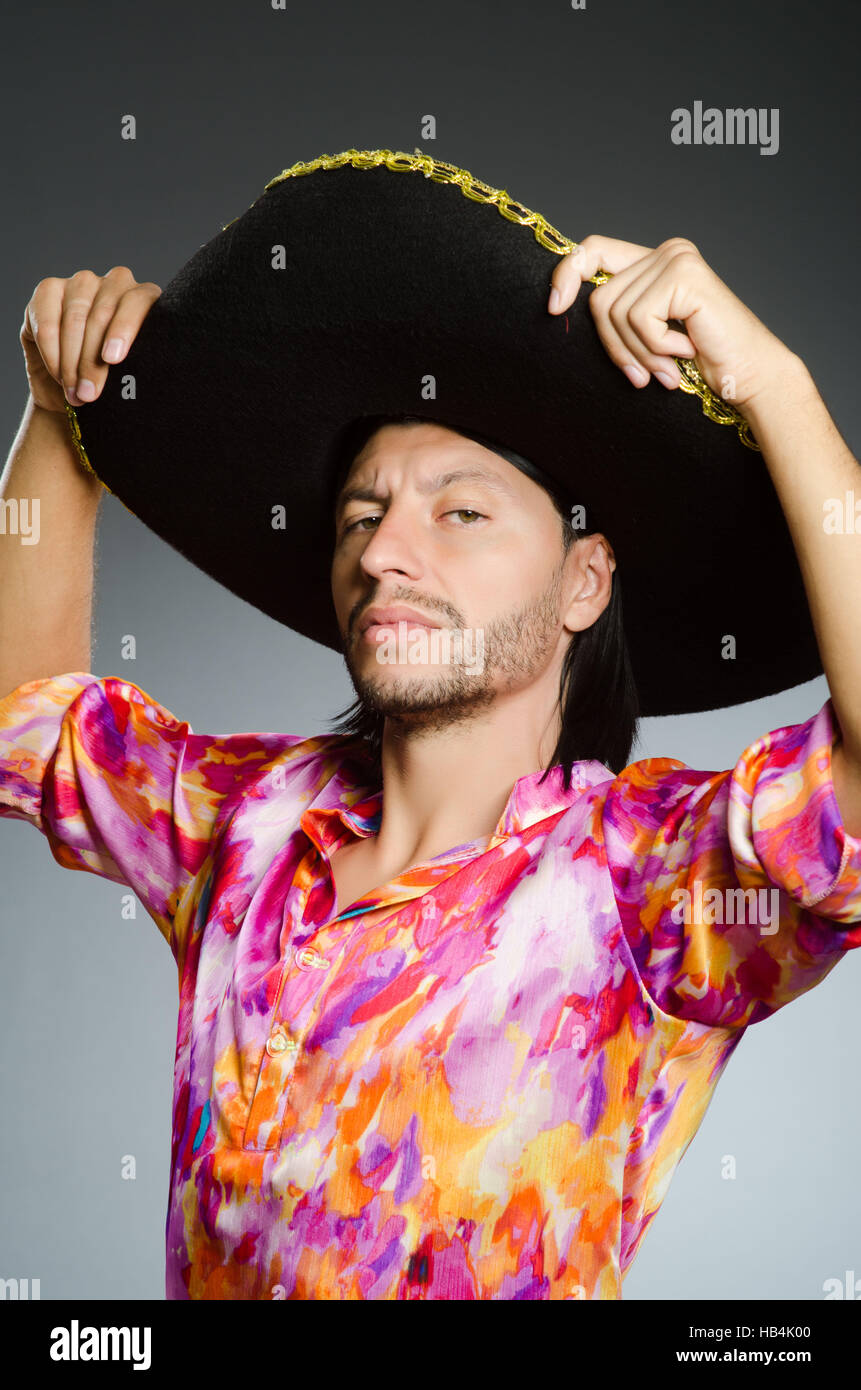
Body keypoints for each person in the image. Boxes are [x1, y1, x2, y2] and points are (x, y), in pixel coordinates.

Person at [2, 210, 860, 1299]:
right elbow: (22, 721)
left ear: (584, 583)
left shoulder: (643, 882)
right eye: (361, 517)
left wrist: (775, 383)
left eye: (459, 511)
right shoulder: (250, 824)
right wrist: (60, 423)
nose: (386, 554)